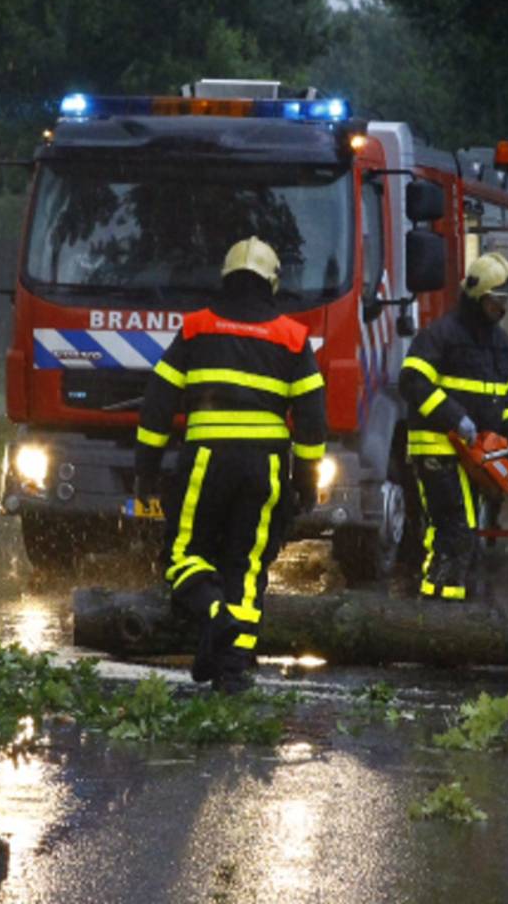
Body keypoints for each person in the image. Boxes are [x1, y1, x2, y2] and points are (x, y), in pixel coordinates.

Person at [133, 236, 327, 693]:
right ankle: (232, 669)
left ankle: (214, 616)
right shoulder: (292, 337)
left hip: (206, 461)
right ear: (271, 283)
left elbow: (158, 404)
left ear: (226, 277)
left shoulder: (197, 328)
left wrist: (147, 469)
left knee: (182, 555)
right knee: (247, 565)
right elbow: (313, 419)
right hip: (266, 468)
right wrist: (306, 479)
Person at [398, 251, 508, 603]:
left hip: (474, 452)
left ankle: (443, 604)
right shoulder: (440, 335)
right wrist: (455, 418)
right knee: (456, 528)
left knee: (458, 533)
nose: (501, 309)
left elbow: (506, 399)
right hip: (437, 447)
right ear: (477, 296)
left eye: (505, 303)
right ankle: (440, 608)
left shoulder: (500, 344)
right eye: (496, 301)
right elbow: (412, 382)